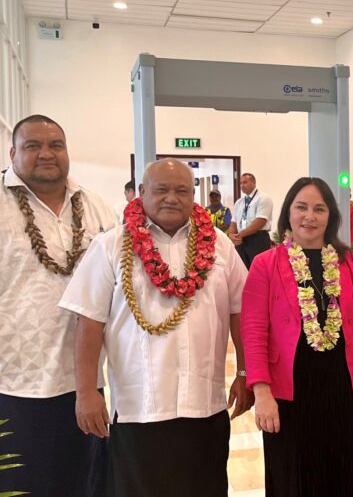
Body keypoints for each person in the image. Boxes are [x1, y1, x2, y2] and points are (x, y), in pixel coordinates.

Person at [59, 159, 252, 497]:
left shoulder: (220, 245)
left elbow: (241, 311)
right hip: (139, 409)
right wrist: (87, 392)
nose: (171, 198)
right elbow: (89, 322)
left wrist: (246, 373)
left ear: (194, 195)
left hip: (204, 406)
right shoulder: (111, 245)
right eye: (161, 189)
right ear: (141, 192)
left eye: (181, 190)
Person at [241, 176, 353, 497]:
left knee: (343, 474)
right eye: (301, 207)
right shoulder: (266, 264)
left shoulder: (349, 264)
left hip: (342, 389)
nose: (310, 216)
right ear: (288, 213)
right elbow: (253, 330)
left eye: (319, 209)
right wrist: (262, 392)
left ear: (330, 215)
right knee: (293, 476)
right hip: (288, 393)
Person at [0, 114, 116, 496]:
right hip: (15, 381)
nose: (46, 154)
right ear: (13, 151)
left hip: (86, 382)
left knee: (85, 483)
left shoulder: (95, 205)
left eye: (56, 145)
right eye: (33, 146)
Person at [230, 172, 273, 268]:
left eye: (245, 182)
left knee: (259, 270)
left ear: (254, 182)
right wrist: (231, 235)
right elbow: (234, 222)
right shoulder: (239, 202)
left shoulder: (263, 198)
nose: (242, 185)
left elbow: (260, 222)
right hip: (241, 240)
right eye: (240, 183)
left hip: (257, 239)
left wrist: (239, 235)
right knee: (242, 270)